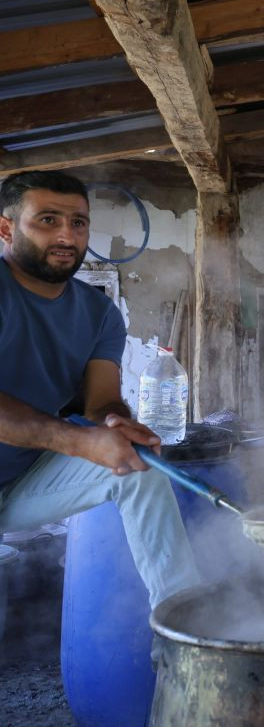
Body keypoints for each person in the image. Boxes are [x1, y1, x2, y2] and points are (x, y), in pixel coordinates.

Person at [0, 170, 201, 609]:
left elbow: (101, 401)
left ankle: (186, 632)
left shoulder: (98, 311)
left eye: (78, 222)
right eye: (48, 220)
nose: (67, 236)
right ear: (6, 228)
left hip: (16, 482)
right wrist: (78, 441)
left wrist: (117, 424)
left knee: (137, 468)